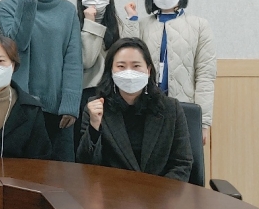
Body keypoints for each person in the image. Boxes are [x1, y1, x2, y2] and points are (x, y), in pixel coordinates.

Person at [0, 0, 81, 162]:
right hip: (20, 104)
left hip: (57, 107)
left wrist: (70, 105)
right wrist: (26, 2)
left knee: (60, 172)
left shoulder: (67, 10)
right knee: (20, 170)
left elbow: (73, 59)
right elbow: (17, 44)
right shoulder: (8, 6)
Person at [77, 37, 193, 181]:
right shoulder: (96, 107)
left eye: (136, 66)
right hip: (112, 191)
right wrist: (94, 127)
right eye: (121, 66)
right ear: (111, 71)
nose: (129, 72)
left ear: (148, 70)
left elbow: (182, 164)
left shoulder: (171, 109)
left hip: (159, 191)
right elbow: (85, 165)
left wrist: (158, 192)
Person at [124, 0, 216, 145]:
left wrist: (203, 122)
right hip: (146, 108)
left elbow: (205, 76)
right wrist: (132, 20)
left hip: (184, 109)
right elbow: (127, 57)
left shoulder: (200, 26)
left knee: (181, 158)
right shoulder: (142, 25)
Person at [74, 0, 136, 150]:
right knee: (88, 146)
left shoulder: (118, 24)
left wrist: (132, 18)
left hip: (115, 93)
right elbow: (88, 60)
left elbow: (133, 52)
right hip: (87, 95)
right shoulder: (75, 25)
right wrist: (90, 22)